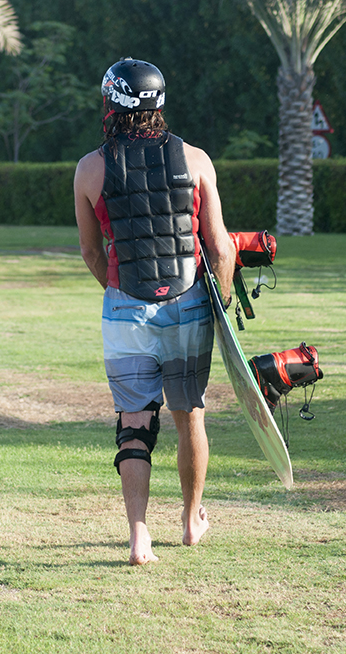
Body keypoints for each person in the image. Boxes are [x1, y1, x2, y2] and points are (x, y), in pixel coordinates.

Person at [73, 58, 237, 565]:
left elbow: (91, 251)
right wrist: (222, 299)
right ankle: (190, 520)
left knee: (134, 423)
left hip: (125, 306)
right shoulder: (197, 159)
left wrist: (119, 292)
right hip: (189, 303)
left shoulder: (90, 168)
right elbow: (221, 246)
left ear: (111, 104)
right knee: (190, 414)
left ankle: (139, 537)